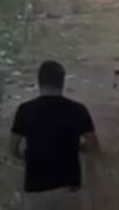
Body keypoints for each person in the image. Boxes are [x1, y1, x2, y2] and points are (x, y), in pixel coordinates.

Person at [10, 60, 99, 209]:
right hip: (68, 191)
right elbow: (94, 147)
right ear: (62, 82)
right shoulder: (78, 110)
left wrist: (28, 155)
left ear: (39, 82)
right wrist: (76, 147)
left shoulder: (25, 110)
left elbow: (13, 149)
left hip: (35, 191)